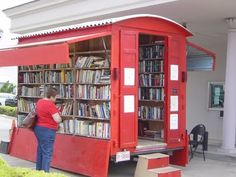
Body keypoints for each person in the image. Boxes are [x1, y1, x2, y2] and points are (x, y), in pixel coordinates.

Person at [34, 87, 62, 172]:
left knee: (41, 150)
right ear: (51, 96)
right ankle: (45, 173)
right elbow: (57, 119)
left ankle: (38, 171)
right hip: (48, 130)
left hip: (38, 128)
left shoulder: (39, 102)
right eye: (55, 97)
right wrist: (60, 117)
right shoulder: (50, 105)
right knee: (47, 152)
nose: (56, 99)